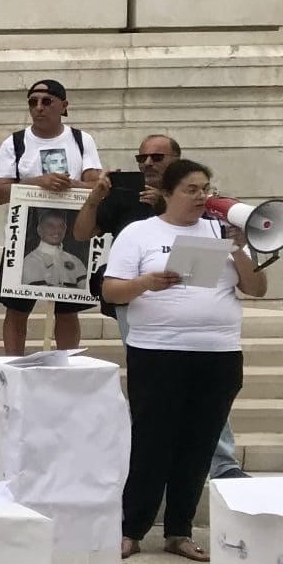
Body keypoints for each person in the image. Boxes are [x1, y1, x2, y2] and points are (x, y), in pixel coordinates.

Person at [102, 158, 266, 562]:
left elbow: (258, 289)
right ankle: (131, 529)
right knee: (152, 443)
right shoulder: (139, 233)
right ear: (168, 194)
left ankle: (179, 530)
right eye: (191, 189)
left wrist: (240, 249)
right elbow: (111, 291)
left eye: (205, 188)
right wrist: (146, 283)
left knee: (198, 445)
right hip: (158, 352)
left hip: (218, 354)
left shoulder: (220, 233)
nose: (201, 196)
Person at [74, 134, 247, 481]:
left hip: (203, 320)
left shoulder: (201, 203)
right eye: (142, 158)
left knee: (207, 397)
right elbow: (81, 234)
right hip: (142, 307)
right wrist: (95, 200)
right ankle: (158, 462)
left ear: (177, 161)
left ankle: (221, 462)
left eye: (157, 157)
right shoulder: (124, 193)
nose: (148, 164)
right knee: (156, 395)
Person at [0, 78, 103, 356]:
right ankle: (13, 366)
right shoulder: (15, 142)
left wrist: (69, 184)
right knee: (16, 307)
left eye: (46, 101)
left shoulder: (81, 139)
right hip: (25, 232)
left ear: (63, 106)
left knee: (67, 309)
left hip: (71, 229)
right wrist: (39, 181)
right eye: (33, 102)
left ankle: (67, 365)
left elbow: (95, 185)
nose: (39, 108)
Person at [19, 209, 90, 290]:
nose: (57, 231)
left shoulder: (75, 261)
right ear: (39, 230)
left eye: (61, 226)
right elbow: (41, 296)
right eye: (50, 226)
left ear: (65, 229)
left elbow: (87, 292)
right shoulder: (30, 262)